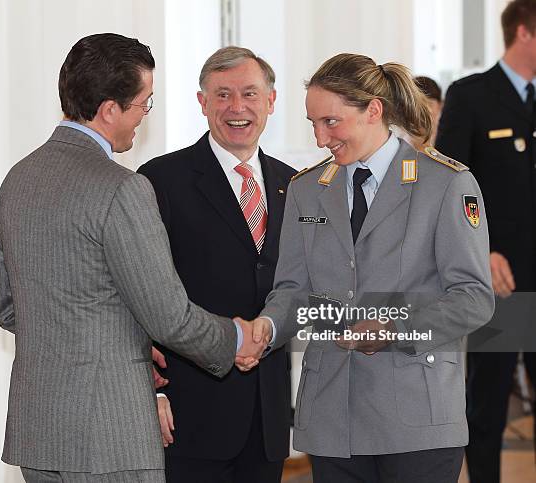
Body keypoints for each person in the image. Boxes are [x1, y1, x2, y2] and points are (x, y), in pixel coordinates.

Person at [0, 33, 264, 483]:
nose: (143, 117)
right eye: (144, 103)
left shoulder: (18, 179)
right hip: (109, 435)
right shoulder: (122, 187)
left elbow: (10, 307)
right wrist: (235, 339)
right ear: (110, 109)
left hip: (37, 432)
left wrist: (114, 336)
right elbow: (169, 317)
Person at [238, 53, 494, 483]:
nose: (321, 138)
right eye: (313, 123)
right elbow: (293, 288)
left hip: (417, 419)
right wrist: (266, 328)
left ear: (373, 110)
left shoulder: (445, 184)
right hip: (332, 419)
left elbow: (473, 299)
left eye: (331, 122)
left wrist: (394, 329)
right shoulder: (306, 190)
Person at [137, 46, 295, 483]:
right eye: (223, 95)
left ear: (271, 100)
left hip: (267, 420)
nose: (237, 108)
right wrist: (148, 392)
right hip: (189, 416)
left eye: (249, 93)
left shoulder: (295, 186)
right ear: (202, 103)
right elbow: (136, 295)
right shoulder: (158, 181)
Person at [436, 1, 536, 481]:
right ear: (524, 33)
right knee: (490, 403)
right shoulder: (472, 97)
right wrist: (484, 249)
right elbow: (450, 187)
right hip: (502, 283)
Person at [409, 76, 443, 149]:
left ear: (440, 105)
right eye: (418, 105)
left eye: (430, 104)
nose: (424, 111)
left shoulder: (449, 136)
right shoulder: (399, 139)